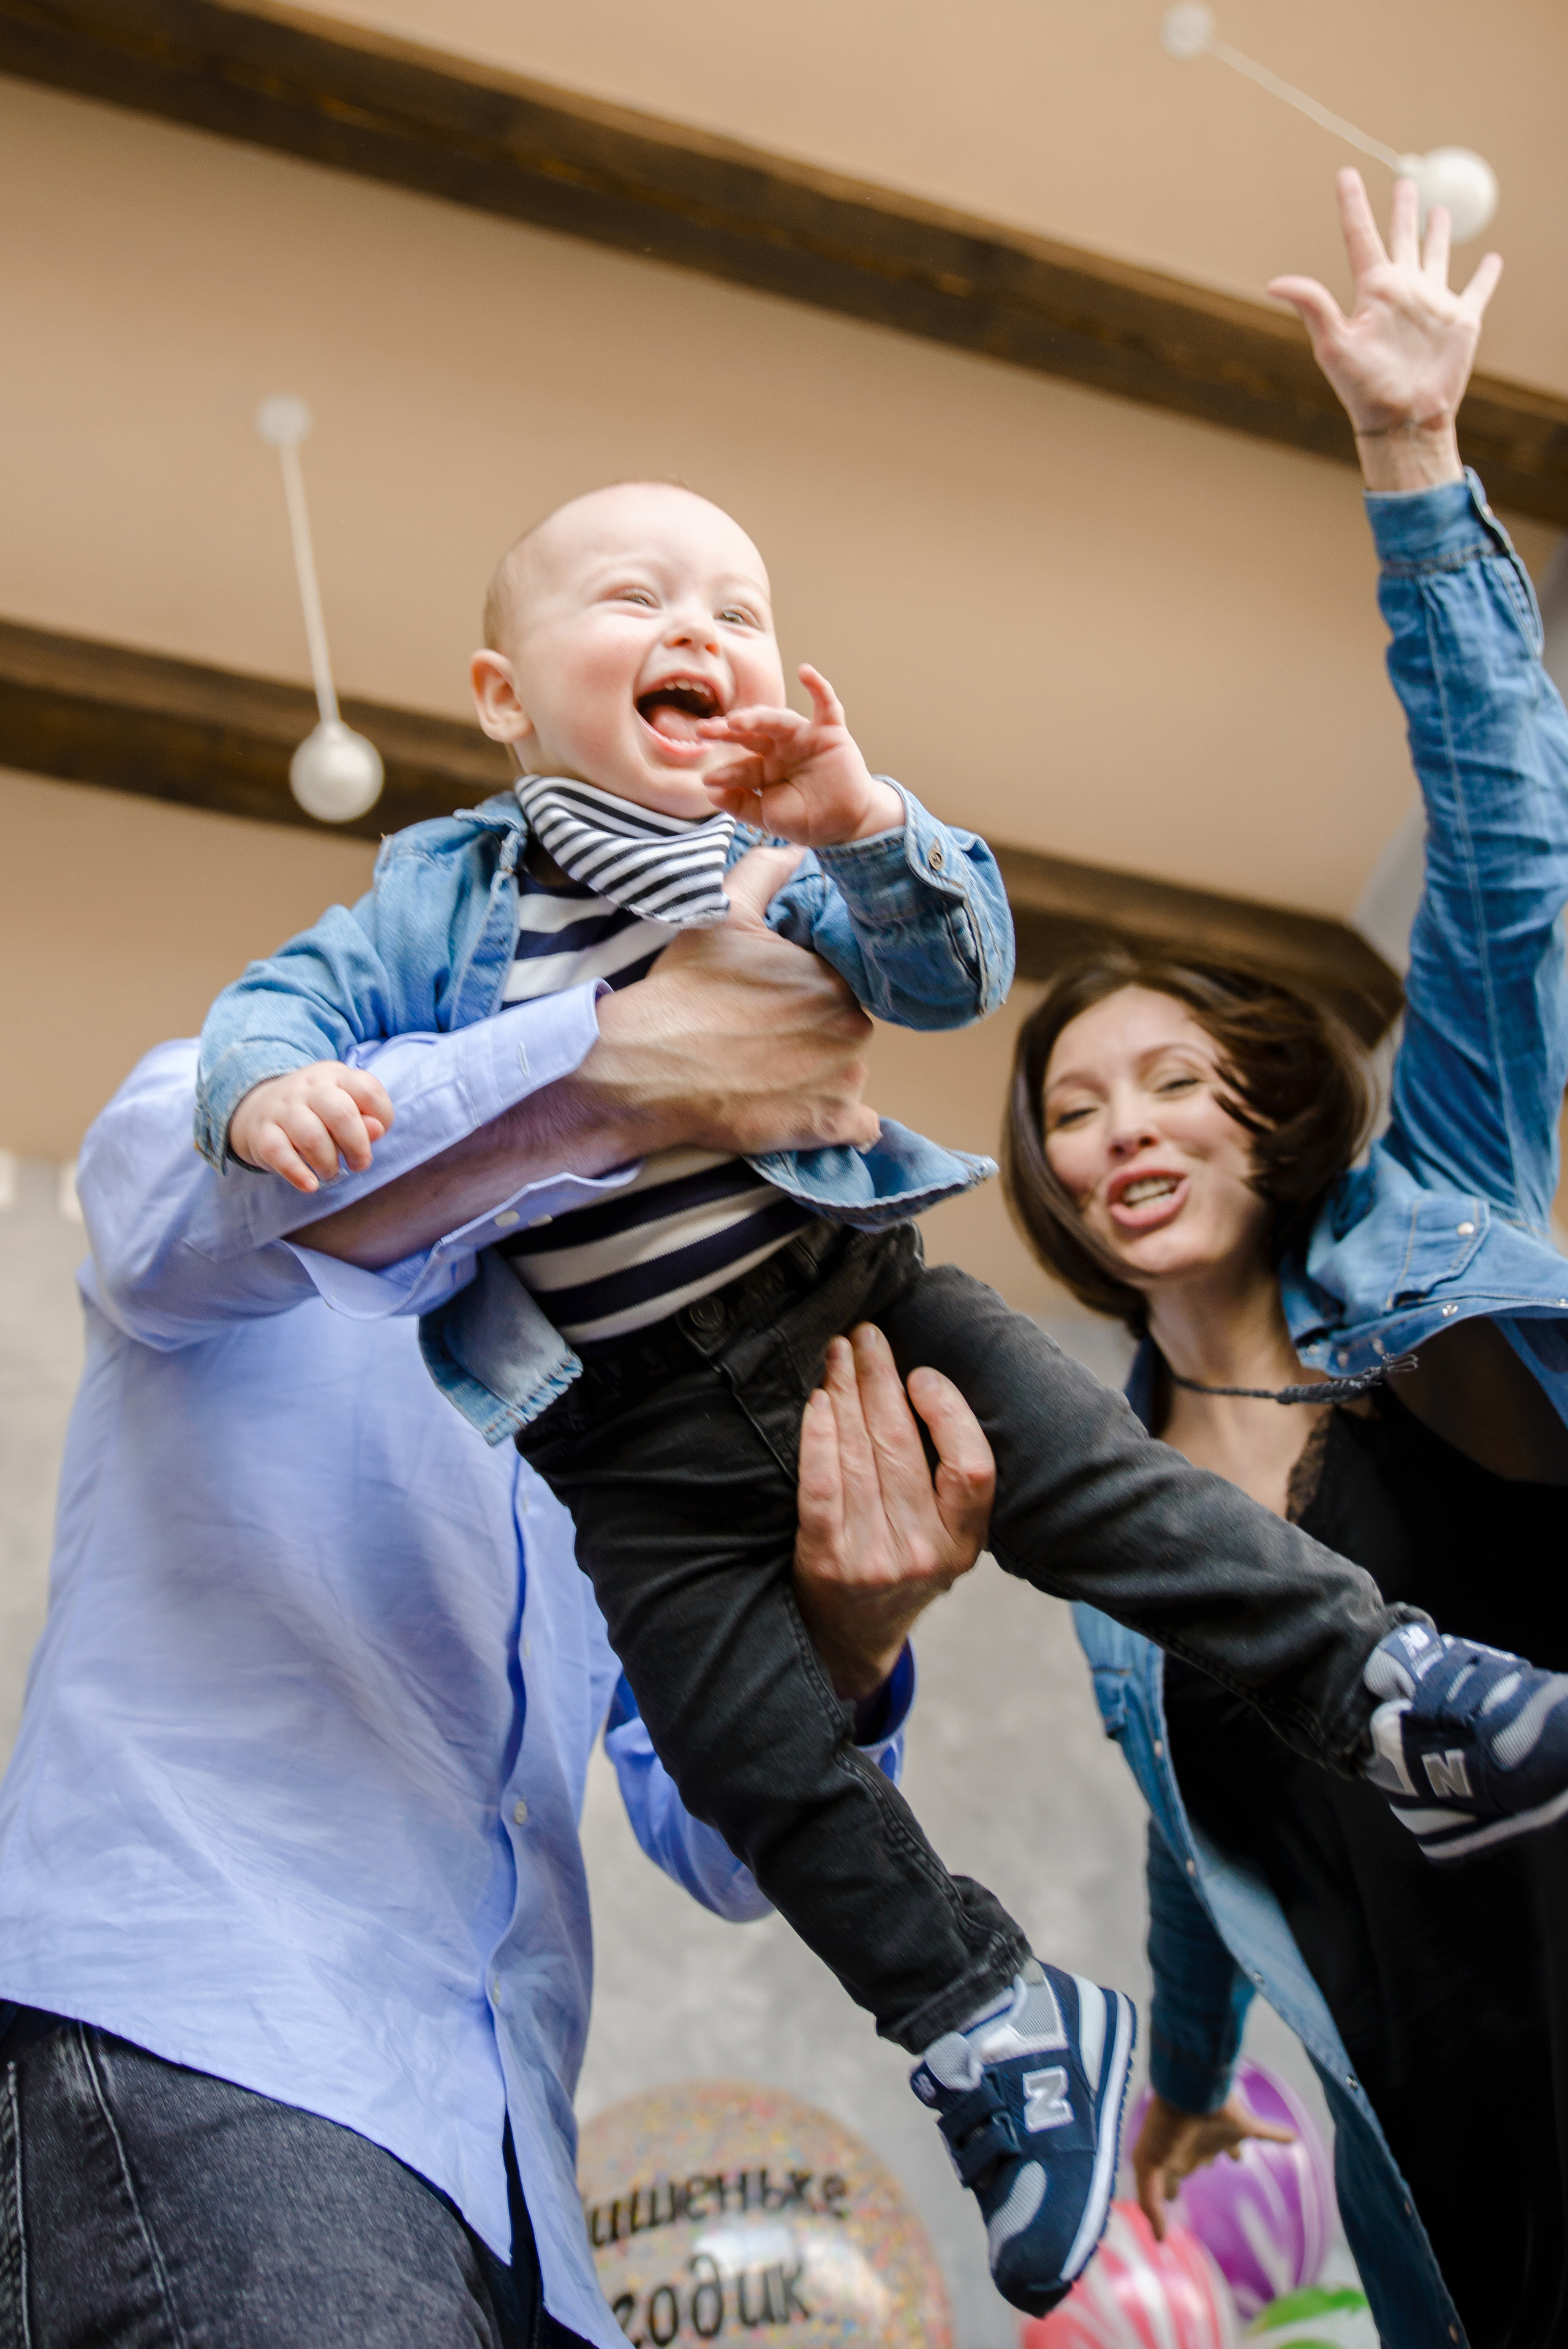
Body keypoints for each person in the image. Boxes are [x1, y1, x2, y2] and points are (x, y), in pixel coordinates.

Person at [195, 464, 1568, 2315]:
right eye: (630, 598)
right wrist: (263, 1087)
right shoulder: (435, 900)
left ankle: (1390, 1685)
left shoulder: (777, 858)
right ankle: (996, 2032)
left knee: (1109, 1501)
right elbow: (274, 1007)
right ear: (504, 696)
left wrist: (868, 822)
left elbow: (946, 969)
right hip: (631, 1448)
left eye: (738, 608)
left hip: (860, 1309)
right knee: (749, 1755)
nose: (696, 627)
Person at [0, 913, 993, 2347]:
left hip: (511, 2182)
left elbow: (720, 1845)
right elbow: (176, 1214)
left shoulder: (645, 1370)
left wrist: (847, 1641)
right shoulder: (220, 1089)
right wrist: (610, 1073)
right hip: (217, 2041)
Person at [1003, 171, 1568, 2349]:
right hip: (1457, 2163)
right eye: (1071, 1107)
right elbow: (1190, 1847)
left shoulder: (1435, 1215)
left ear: (1265, 1097)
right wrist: (1169, 2084)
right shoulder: (1109, 1517)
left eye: (1167, 1080)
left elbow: (1511, 866)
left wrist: (1416, 464)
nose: (1119, 1127)